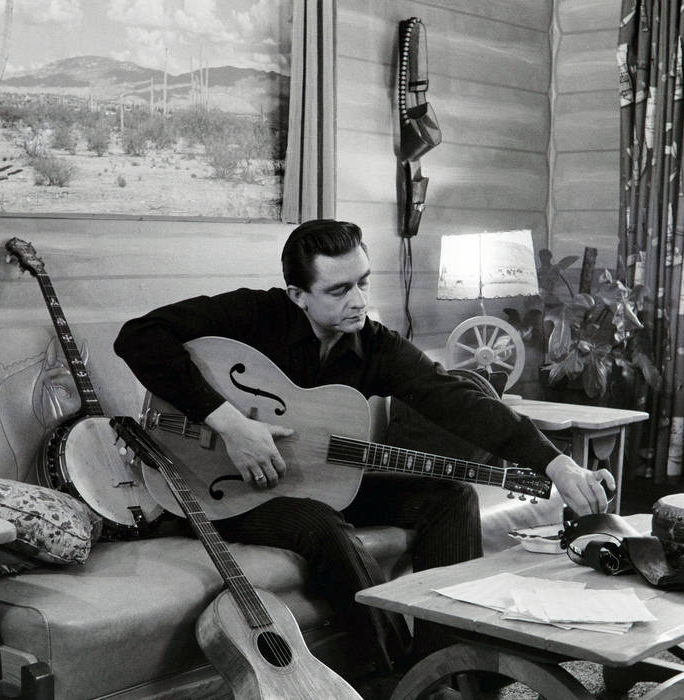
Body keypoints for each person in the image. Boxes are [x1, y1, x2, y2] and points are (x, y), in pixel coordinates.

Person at [113, 219, 614, 678]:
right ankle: (393, 676)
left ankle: (439, 667)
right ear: (298, 295)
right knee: (321, 525)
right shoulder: (254, 314)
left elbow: (458, 401)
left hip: (316, 480)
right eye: (339, 289)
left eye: (363, 282)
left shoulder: (372, 344)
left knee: (452, 498)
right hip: (222, 487)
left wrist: (557, 462)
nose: (359, 300)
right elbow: (138, 337)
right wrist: (228, 424)